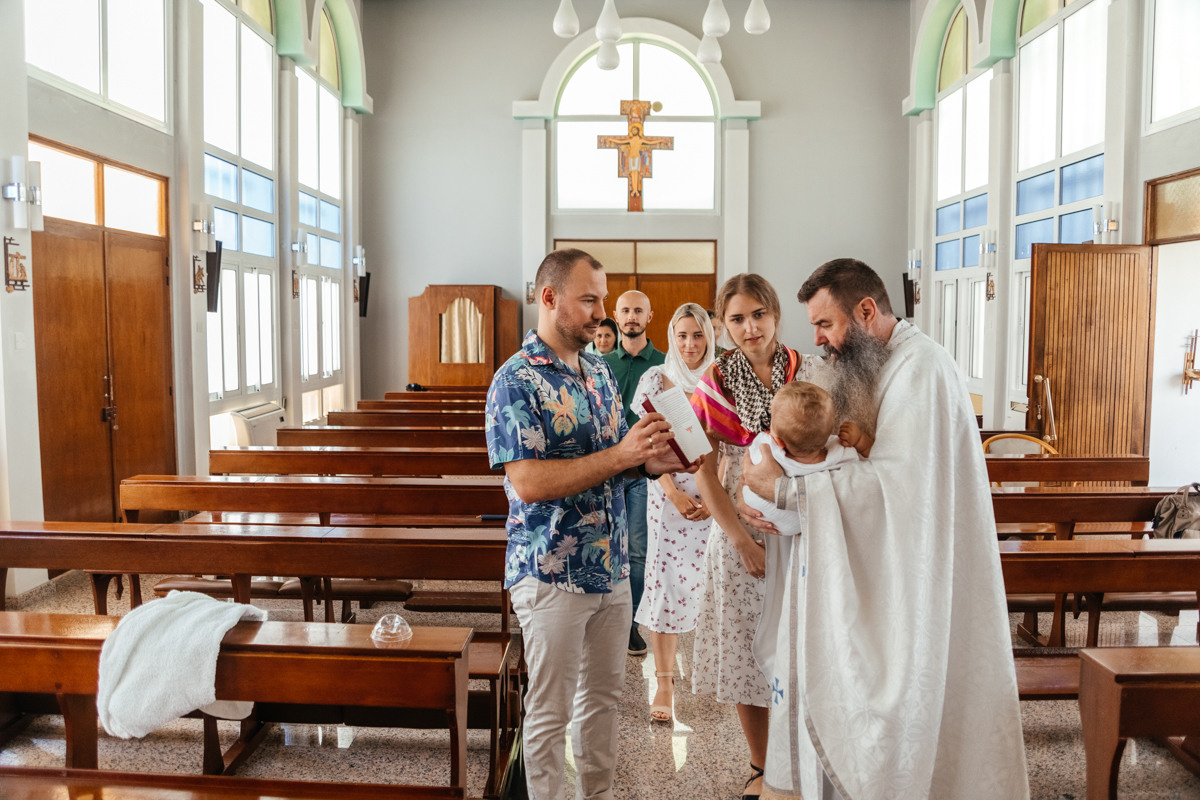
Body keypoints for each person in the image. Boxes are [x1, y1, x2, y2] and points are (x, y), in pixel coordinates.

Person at [740, 258, 1029, 800]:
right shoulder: (876, 364)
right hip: (864, 572)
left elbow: (898, 491)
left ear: (866, 311)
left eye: (826, 325)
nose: (821, 341)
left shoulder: (920, 369)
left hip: (909, 585)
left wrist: (786, 491)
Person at [485, 248, 694, 800]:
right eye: (590, 300)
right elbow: (528, 482)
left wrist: (655, 461)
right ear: (549, 299)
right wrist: (623, 457)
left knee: (603, 702)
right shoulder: (516, 380)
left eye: (603, 299)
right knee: (551, 712)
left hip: (612, 565)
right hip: (551, 570)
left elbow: (617, 456)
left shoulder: (598, 369)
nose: (602, 312)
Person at [688, 274, 823, 800]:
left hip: (805, 520)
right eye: (737, 318)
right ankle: (762, 766)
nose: (750, 327)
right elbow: (702, 472)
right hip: (740, 528)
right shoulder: (714, 383)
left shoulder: (806, 369)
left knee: (805, 642)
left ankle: (807, 756)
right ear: (723, 326)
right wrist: (741, 541)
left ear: (775, 315)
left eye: (759, 314)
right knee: (747, 650)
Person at [630, 302, 716, 724]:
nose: (690, 345)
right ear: (671, 338)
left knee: (710, 583)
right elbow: (647, 447)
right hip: (668, 496)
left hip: (714, 492)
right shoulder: (655, 378)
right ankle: (663, 682)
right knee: (666, 583)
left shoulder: (723, 378)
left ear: (709, 336)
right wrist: (673, 494)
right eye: (682, 336)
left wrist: (711, 494)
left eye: (697, 335)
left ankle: (713, 672)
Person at [603, 290, 666, 656]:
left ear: (649, 315)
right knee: (607, 547)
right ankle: (608, 621)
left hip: (645, 472)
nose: (631, 316)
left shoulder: (663, 363)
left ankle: (629, 624)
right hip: (609, 468)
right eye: (625, 310)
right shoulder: (601, 364)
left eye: (638, 310)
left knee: (639, 552)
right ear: (616, 314)